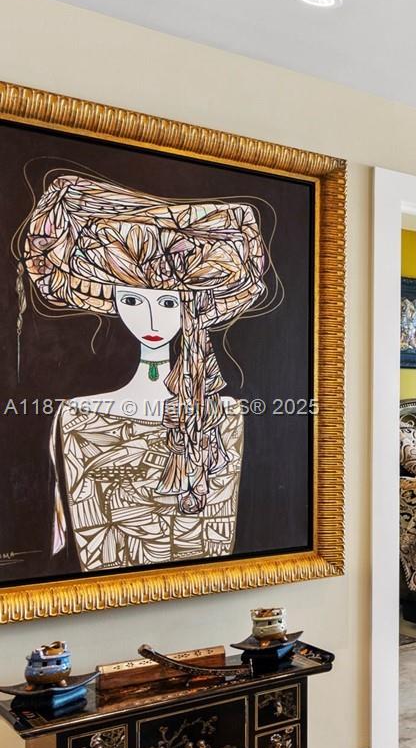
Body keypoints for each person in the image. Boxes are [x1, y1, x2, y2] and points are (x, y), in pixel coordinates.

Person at [17, 172, 271, 571]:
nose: (152, 318)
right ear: (115, 302)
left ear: (189, 307)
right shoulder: (78, 416)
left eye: (169, 303)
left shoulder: (224, 415)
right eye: (134, 299)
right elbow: (87, 536)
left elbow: (216, 534)